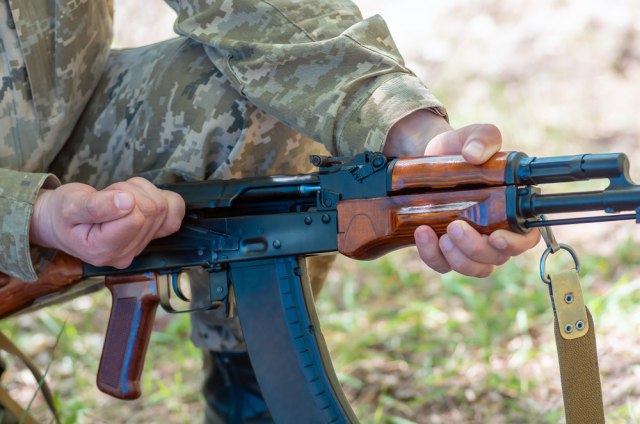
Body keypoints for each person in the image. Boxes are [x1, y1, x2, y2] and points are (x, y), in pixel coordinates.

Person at [0, 0, 540, 422]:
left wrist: (410, 130)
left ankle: (250, 400)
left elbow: (271, 13)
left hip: (67, 136)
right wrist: (29, 214)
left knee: (281, 90)